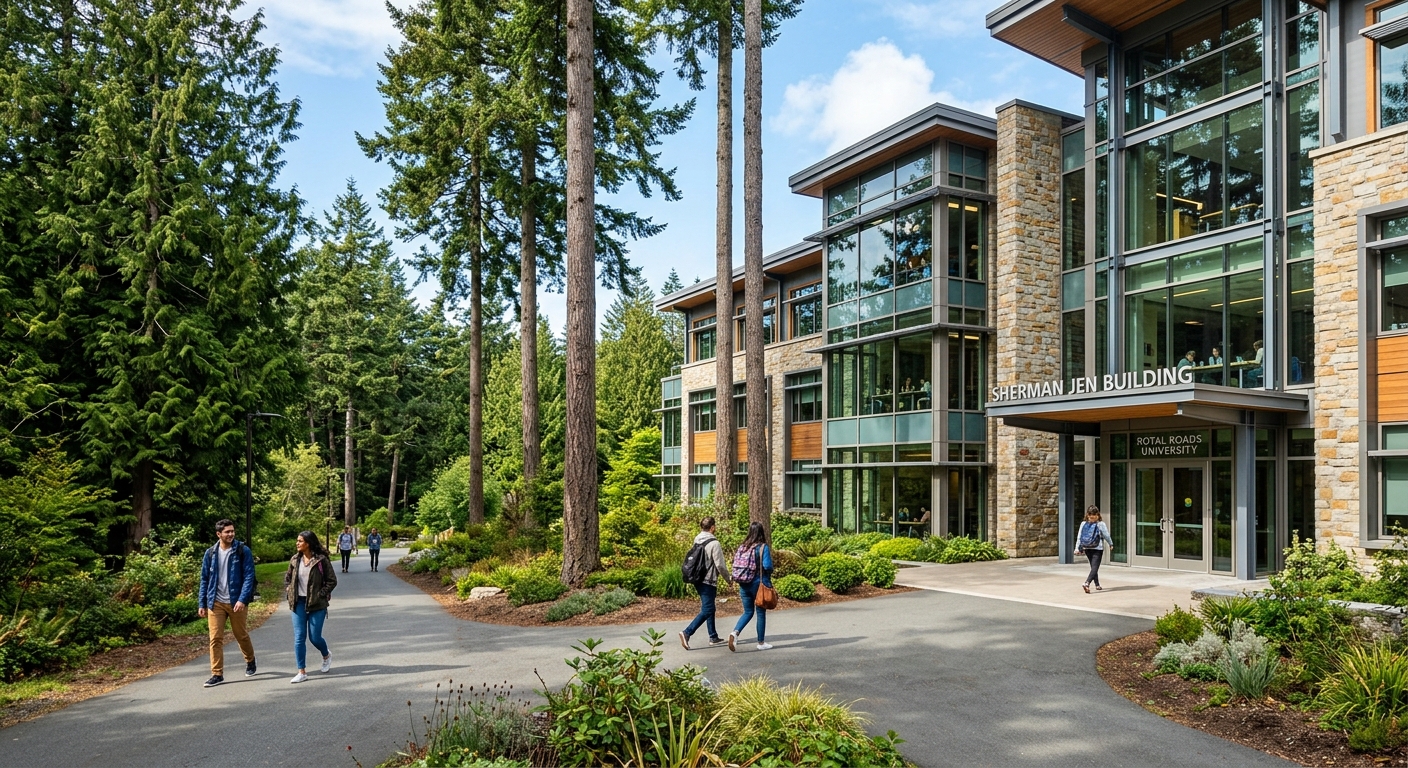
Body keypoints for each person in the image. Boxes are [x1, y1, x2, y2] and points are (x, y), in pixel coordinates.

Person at [197, 519, 257, 688]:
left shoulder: (242, 551)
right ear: (219, 534)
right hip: (215, 602)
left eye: (232, 531)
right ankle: (217, 674)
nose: (231, 534)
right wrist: (202, 602)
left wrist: (242, 599)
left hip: (236, 601)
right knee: (215, 638)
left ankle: (250, 660)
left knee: (240, 635)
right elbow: (204, 579)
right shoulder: (210, 553)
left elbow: (249, 576)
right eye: (227, 532)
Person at [284, 531, 337, 683]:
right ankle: (302, 672)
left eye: (300, 541)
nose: (297, 543)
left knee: (315, 637)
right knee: (299, 637)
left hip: (317, 604)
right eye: (297, 540)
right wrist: (289, 589)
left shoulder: (321, 560)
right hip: (298, 603)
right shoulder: (295, 559)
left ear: (308, 543)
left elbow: (332, 580)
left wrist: (321, 593)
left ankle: (326, 655)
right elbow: (287, 578)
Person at [679, 517, 731, 650]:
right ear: (712, 527)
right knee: (708, 609)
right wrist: (729, 579)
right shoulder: (715, 543)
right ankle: (687, 632)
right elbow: (720, 565)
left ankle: (713, 636)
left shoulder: (697, 538)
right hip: (708, 580)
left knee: (710, 607)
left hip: (697, 578)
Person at [728, 522, 774, 652]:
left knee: (748, 611)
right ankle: (761, 642)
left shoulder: (743, 547)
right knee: (760, 612)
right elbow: (767, 566)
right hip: (758, 583)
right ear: (761, 532)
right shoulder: (762, 547)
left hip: (743, 582)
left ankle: (735, 633)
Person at [1074, 506, 1113, 593]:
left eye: (1094, 516)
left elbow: (1079, 537)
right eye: (1091, 516)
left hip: (1087, 547)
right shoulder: (1100, 524)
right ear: (1088, 515)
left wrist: (1077, 548)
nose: (1092, 518)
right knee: (1095, 567)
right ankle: (1087, 583)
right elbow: (1106, 535)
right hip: (1097, 548)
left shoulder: (1083, 523)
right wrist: (1111, 543)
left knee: (1093, 567)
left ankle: (1097, 584)